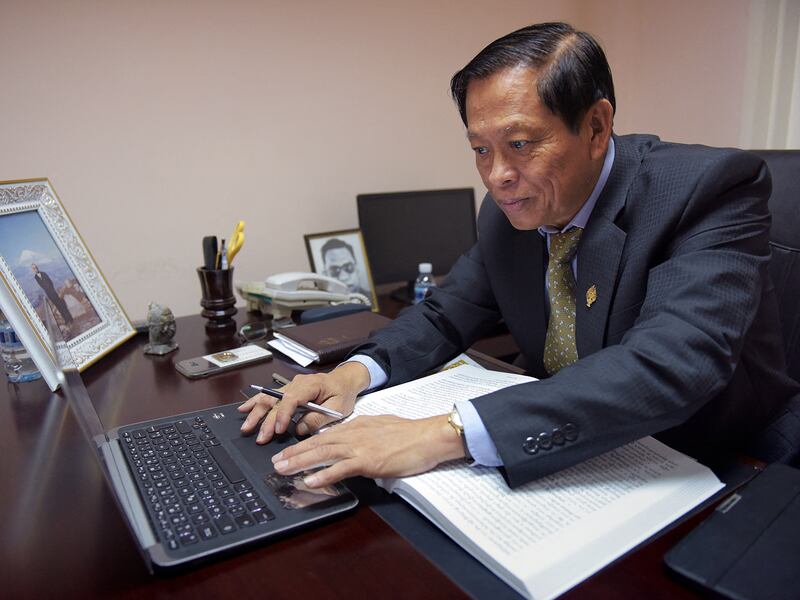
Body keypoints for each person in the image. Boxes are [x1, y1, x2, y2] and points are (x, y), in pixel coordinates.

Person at [240, 22, 800, 490]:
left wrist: (443, 433)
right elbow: (445, 313)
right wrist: (353, 373)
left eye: (520, 145)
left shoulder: (706, 188)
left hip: (724, 458)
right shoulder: (508, 213)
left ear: (597, 126)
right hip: (578, 450)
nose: (497, 176)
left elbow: (671, 364)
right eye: (480, 150)